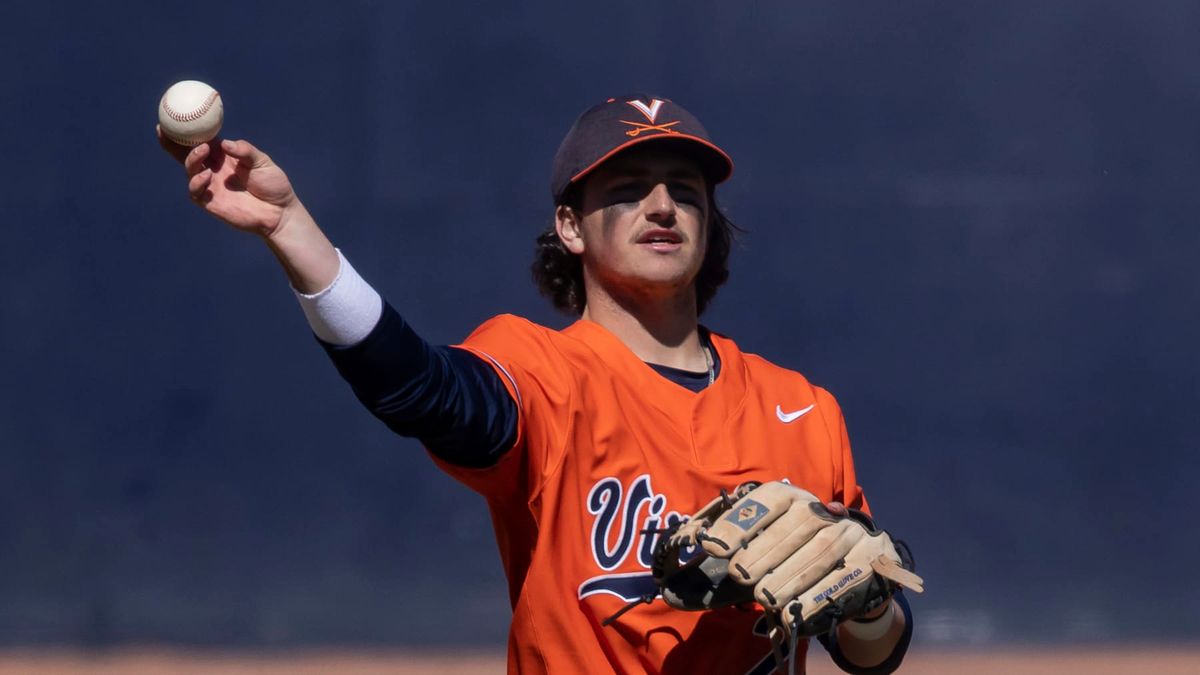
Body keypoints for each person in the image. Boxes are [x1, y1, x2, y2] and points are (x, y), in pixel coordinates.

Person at [159, 94, 915, 674]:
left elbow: (872, 652)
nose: (661, 205)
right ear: (572, 225)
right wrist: (291, 227)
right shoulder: (543, 373)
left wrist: (871, 599)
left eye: (685, 190)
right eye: (627, 188)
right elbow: (421, 389)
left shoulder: (804, 410)